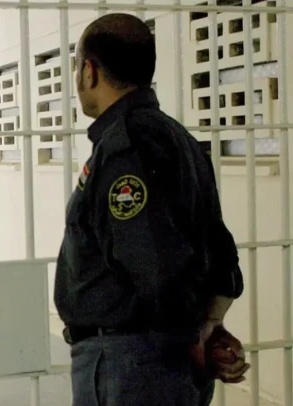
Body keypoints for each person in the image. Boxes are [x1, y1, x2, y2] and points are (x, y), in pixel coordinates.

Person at [55, 13, 250, 405]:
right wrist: (208, 326)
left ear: (89, 72)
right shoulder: (179, 138)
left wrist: (189, 337)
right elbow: (218, 247)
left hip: (131, 365)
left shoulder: (124, 148)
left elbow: (153, 262)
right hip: (157, 360)